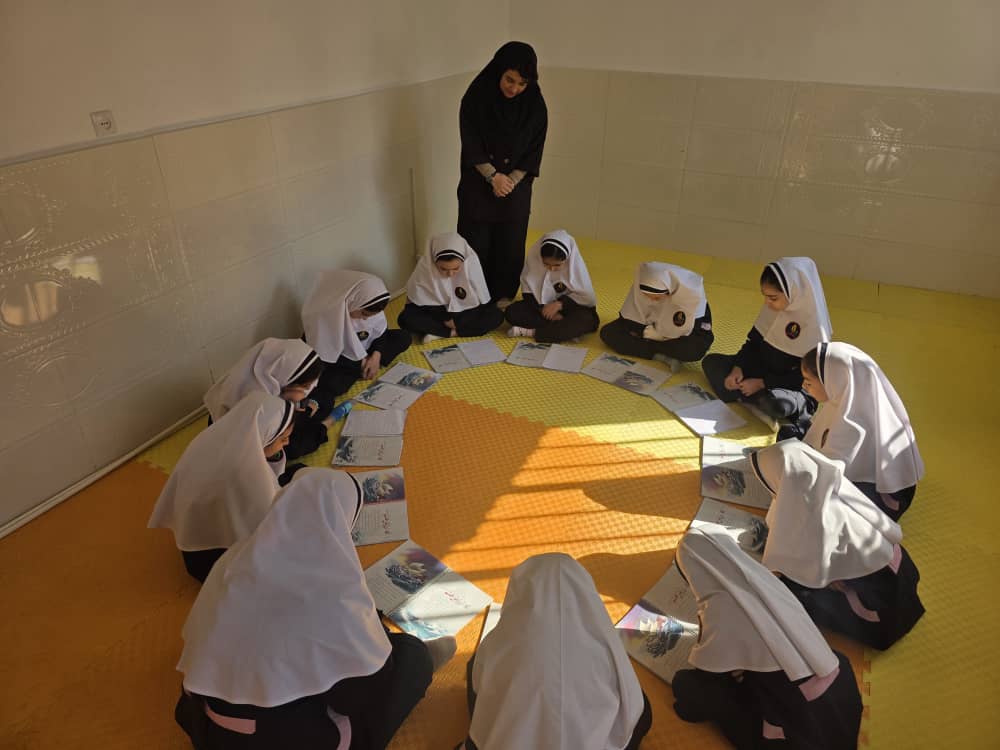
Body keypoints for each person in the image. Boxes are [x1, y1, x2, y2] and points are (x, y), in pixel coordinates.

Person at [173, 468, 456, 749]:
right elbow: (356, 698)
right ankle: (422, 658)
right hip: (272, 740)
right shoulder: (334, 594)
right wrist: (371, 632)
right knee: (410, 658)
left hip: (206, 725)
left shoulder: (233, 561)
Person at [672, 528, 862, 749]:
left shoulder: (719, 608)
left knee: (688, 686)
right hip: (838, 688)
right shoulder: (765, 579)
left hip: (805, 725)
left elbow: (707, 669)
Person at [459, 553, 651, 750]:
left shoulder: (499, 645)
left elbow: (478, 682)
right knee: (638, 706)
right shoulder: (606, 645)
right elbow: (634, 704)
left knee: (478, 672)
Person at [751, 440, 925, 650]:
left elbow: (796, 565)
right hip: (895, 577)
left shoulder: (815, 519)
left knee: (784, 592)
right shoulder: (820, 493)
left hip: (881, 605)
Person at [148, 392, 294, 582]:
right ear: (263, 435)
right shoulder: (246, 475)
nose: (288, 443)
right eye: (283, 438)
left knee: (298, 478)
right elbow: (271, 529)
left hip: (197, 541)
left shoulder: (217, 438)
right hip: (215, 567)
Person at [457, 41, 548, 307]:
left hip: (515, 189)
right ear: (499, 70)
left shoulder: (535, 105)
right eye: (509, 80)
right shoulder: (476, 97)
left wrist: (510, 181)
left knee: (510, 245)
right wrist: (493, 176)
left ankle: (503, 297)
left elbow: (534, 150)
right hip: (479, 185)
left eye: (522, 83)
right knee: (477, 243)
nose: (514, 88)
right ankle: (474, 298)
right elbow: (471, 143)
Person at [702, 257, 831, 434]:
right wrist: (738, 368)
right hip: (761, 370)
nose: (767, 303)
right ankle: (752, 400)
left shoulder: (815, 329)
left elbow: (803, 378)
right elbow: (752, 344)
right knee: (711, 362)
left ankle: (748, 398)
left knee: (778, 404)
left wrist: (762, 383)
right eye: (765, 296)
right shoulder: (773, 308)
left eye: (772, 297)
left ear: (793, 292)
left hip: (791, 385)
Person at [800, 342, 924, 520]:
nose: (804, 387)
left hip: (883, 500)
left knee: (813, 503)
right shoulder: (848, 399)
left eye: (809, 382)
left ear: (835, 381)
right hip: (865, 482)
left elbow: (829, 472)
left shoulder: (854, 422)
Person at [302, 270, 410, 417]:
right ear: (353, 301)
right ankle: (365, 369)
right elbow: (326, 354)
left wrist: (376, 356)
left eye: (371, 316)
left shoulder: (370, 305)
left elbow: (380, 333)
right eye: (364, 314)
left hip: (365, 351)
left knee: (403, 337)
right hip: (340, 360)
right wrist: (359, 363)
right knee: (334, 384)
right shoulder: (327, 316)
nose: (365, 319)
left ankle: (369, 367)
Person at [203, 338, 329, 460]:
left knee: (321, 401)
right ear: (285, 380)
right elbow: (267, 443)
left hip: (271, 422)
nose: (308, 390)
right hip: (253, 439)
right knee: (302, 440)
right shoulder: (251, 400)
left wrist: (296, 402)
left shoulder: (266, 375)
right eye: (305, 386)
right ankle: (327, 422)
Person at [600, 261, 713, 371]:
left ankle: (652, 350)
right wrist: (644, 331)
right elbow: (629, 319)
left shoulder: (692, 299)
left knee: (692, 350)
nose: (652, 300)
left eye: (657, 297)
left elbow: (694, 331)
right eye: (646, 296)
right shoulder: (640, 291)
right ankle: (661, 356)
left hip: (677, 338)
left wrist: (662, 337)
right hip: (649, 333)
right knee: (608, 333)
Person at [398, 232, 504, 343]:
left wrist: (460, 320)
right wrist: (446, 318)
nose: (450, 274)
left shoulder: (470, 265)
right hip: (436, 314)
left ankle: (444, 333)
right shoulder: (425, 268)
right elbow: (420, 302)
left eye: (456, 268)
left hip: (463, 314)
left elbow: (481, 301)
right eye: (443, 269)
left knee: (496, 315)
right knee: (405, 319)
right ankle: (453, 331)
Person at [504, 229, 600, 343]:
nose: (551, 269)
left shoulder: (575, 269)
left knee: (587, 320)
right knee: (512, 312)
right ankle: (562, 331)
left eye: (557, 265)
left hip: (571, 311)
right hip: (543, 311)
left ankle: (530, 332)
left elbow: (587, 299)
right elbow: (528, 294)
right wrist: (544, 310)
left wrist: (560, 304)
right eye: (546, 264)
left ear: (567, 259)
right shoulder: (534, 262)